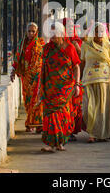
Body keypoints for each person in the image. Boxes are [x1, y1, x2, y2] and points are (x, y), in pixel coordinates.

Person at [40, 22, 81, 152]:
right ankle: (51, 144)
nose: (52, 36)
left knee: (63, 115)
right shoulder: (46, 48)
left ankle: (60, 142)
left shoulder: (69, 48)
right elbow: (43, 69)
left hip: (65, 88)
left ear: (61, 34)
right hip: (49, 88)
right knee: (50, 115)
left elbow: (76, 67)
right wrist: (40, 88)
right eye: (50, 33)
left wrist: (77, 84)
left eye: (55, 33)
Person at [80, 23, 110, 143]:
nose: (99, 34)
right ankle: (93, 132)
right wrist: (77, 79)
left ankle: (101, 134)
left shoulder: (108, 45)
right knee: (89, 107)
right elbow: (82, 62)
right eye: (97, 32)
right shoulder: (86, 45)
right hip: (89, 79)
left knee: (104, 108)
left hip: (106, 80)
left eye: (102, 32)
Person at [10, 22, 44, 133]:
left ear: (37, 32)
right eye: (29, 31)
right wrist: (13, 71)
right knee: (28, 100)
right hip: (26, 76)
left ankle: (38, 124)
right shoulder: (22, 44)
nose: (31, 33)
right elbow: (17, 58)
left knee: (37, 99)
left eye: (33, 31)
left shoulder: (41, 43)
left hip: (38, 76)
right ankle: (31, 123)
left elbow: (45, 59)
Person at [62, 17, 83, 142]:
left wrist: (77, 47)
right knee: (64, 106)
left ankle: (71, 131)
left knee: (75, 106)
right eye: (67, 26)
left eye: (71, 26)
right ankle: (64, 130)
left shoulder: (76, 41)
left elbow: (82, 58)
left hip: (75, 78)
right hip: (61, 80)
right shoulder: (59, 43)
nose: (69, 29)